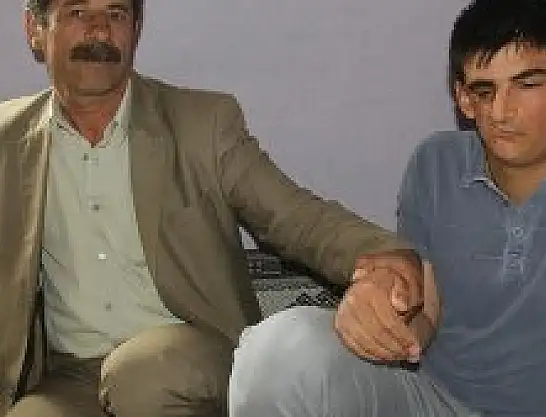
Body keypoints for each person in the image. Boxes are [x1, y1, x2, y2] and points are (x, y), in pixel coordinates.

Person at [228, 0, 546, 416]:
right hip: (435, 401)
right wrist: (381, 316)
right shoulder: (434, 164)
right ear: (463, 99)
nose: (502, 111)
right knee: (276, 350)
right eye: (484, 90)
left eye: (528, 83)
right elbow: (427, 317)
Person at [0, 0, 426, 416]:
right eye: (77, 13)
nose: (100, 30)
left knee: (141, 377)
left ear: (136, 29)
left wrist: (382, 256)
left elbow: (295, 217)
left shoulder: (202, 124)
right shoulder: (8, 139)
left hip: (194, 355)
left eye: (117, 14)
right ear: (35, 30)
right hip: (70, 377)